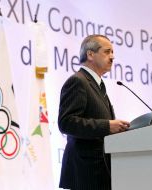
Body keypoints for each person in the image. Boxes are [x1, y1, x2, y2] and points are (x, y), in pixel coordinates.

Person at [58, 34, 130, 190]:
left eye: (112, 52)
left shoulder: (98, 85)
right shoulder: (78, 81)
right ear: (90, 54)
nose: (112, 57)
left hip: (100, 173)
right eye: (107, 52)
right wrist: (107, 126)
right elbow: (66, 122)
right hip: (86, 173)